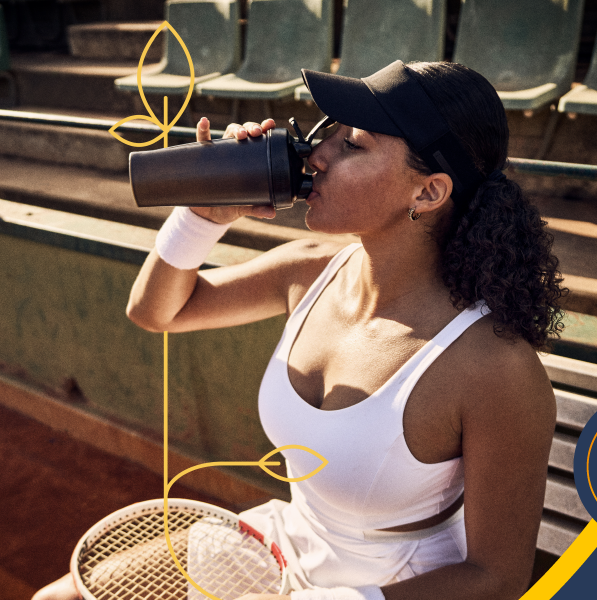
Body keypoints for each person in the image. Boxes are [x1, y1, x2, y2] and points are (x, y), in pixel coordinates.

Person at [33, 60, 565, 600]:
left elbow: (496, 579)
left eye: (353, 144)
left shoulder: (496, 370)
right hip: (286, 543)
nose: (318, 155)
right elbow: (155, 312)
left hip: (386, 585)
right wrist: (203, 215)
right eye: (326, 133)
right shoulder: (308, 270)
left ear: (428, 193)